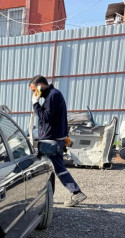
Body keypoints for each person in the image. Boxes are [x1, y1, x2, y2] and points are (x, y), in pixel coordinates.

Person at [29, 75, 87, 207]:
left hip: (51, 140)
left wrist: (35, 104)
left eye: (34, 90)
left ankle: (75, 192)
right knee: (54, 166)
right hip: (55, 138)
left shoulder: (52, 96)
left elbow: (46, 117)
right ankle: (71, 192)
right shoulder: (54, 95)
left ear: (40, 86)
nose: (34, 94)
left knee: (53, 168)